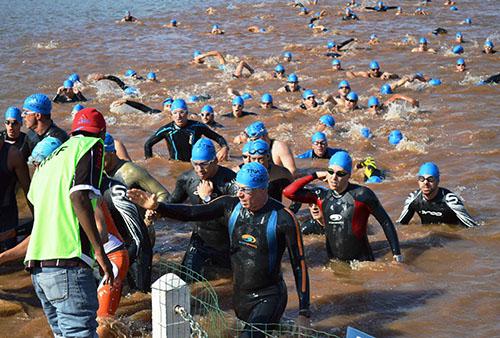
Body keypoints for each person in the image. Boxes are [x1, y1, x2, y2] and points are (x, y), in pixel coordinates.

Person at [127, 162, 311, 336]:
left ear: (263, 189)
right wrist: (159, 207)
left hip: (269, 296)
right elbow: (192, 213)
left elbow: (299, 264)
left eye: (246, 190)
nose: (239, 194)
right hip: (240, 296)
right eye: (239, 188)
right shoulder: (229, 206)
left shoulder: (283, 218)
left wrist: (304, 312)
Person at [24, 107, 114, 337]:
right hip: (68, 263)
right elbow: (78, 196)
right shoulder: (91, 146)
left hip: (38, 267)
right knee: (80, 332)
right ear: (101, 134)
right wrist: (100, 253)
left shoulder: (46, 164)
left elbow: (35, 204)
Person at [283, 151, 403, 262]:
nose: (334, 178)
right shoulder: (321, 196)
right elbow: (288, 192)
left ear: (349, 175)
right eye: (330, 172)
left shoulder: (362, 195)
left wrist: (397, 254)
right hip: (335, 262)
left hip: (362, 262)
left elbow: (385, 222)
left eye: (340, 174)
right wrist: (314, 175)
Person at [166, 138, 237, 277]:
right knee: (186, 279)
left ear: (215, 161)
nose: (199, 169)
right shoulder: (187, 179)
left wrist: (207, 199)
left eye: (204, 164)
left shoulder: (230, 181)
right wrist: (156, 210)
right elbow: (172, 203)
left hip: (226, 243)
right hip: (200, 240)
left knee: (229, 284)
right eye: (195, 164)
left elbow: (237, 218)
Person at [397, 162, 479, 227]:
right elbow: (400, 225)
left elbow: (472, 227)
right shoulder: (413, 199)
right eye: (422, 179)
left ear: (438, 181)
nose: (426, 183)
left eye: (430, 179)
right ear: (418, 181)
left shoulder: (451, 201)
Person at [144, 99, 229, 161]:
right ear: (171, 115)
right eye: (175, 113)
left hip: (195, 165)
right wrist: (150, 163)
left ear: (187, 113)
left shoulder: (197, 126)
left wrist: (224, 147)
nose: (178, 116)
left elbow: (218, 137)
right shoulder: (167, 130)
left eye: (182, 112)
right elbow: (148, 144)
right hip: (175, 165)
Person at [104, 133, 170, 202]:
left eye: (101, 153)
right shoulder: (98, 172)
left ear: (112, 152)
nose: (96, 158)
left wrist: (153, 209)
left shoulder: (131, 172)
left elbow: (163, 194)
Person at [0, 131, 32, 253]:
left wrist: (37, 219)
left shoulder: (13, 155)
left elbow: (28, 189)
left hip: (7, 213)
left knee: (9, 253)